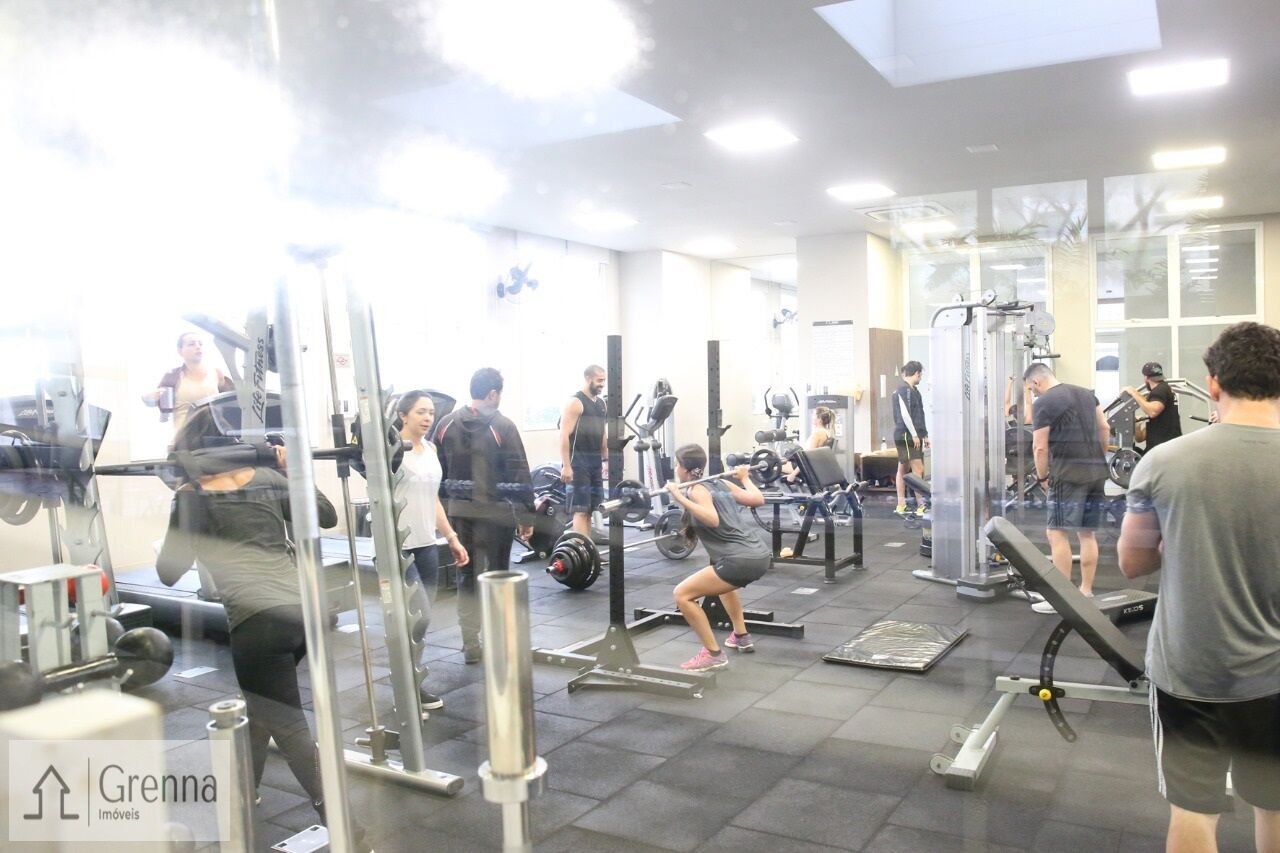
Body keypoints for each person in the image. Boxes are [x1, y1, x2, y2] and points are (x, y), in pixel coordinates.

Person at [156, 406, 370, 850]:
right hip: (304, 616)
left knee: (288, 728)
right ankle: (244, 789)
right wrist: (293, 472)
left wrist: (184, 513)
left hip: (258, 625)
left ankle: (347, 826)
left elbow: (168, 572)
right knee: (265, 706)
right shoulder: (269, 478)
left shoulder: (192, 496)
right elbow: (326, 515)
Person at [1117, 322, 1280, 853]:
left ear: (1213, 384)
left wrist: (1185, 538)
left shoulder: (1164, 462)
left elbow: (1133, 563)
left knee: (1193, 811)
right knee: (1275, 803)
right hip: (1274, 674)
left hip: (1190, 671)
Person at [434, 368, 534, 664]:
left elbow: (437, 472)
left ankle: (471, 644)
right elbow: (519, 472)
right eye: (499, 394)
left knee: (467, 576)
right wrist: (527, 515)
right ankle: (499, 641)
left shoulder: (444, 424)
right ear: (492, 394)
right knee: (499, 575)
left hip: (460, 513)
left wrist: (443, 511)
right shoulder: (503, 425)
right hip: (496, 514)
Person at [665, 444, 772, 672]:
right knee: (722, 582)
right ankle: (741, 635)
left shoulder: (696, 490)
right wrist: (745, 478)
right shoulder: (721, 483)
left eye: (676, 464)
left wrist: (678, 496)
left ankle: (713, 654)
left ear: (685, 468)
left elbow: (712, 519)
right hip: (759, 555)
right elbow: (757, 498)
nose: (675, 468)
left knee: (682, 595)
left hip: (739, 560)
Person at [394, 390, 470, 710]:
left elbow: (433, 498)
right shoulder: (391, 452)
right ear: (403, 415)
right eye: (420, 412)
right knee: (418, 616)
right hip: (397, 547)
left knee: (420, 623)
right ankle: (405, 687)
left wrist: (451, 537)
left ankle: (412, 684)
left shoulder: (430, 449)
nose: (427, 418)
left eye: (430, 413)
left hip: (426, 544)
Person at [1023, 362, 1110, 613]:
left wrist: (1042, 477)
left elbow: (1039, 447)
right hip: (1096, 472)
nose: (1033, 394)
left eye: (1031, 389)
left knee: (1056, 533)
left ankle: (1062, 599)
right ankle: (1086, 591)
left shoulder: (1044, 402)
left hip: (1067, 474)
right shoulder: (1087, 394)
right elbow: (1104, 427)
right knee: (1087, 533)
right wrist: (1097, 457)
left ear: (1036, 382)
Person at [142, 332, 234, 434]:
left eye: (200, 344)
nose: (198, 347)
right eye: (191, 344)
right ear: (180, 351)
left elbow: (232, 402)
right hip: (186, 437)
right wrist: (148, 398)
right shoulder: (172, 377)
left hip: (213, 436)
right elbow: (157, 402)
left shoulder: (217, 374)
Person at [558, 365, 607, 537]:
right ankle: (580, 548)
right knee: (580, 510)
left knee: (591, 509)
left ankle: (588, 548)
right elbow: (563, 435)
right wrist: (566, 466)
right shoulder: (575, 403)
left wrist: (606, 460)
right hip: (578, 464)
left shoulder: (601, 404)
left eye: (604, 380)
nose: (602, 384)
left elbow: (602, 434)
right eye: (599, 380)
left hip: (595, 464)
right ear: (588, 378)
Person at [892, 361, 929, 516]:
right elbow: (905, 415)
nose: (921, 377)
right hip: (906, 435)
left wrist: (924, 434)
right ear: (917, 373)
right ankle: (921, 505)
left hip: (913, 435)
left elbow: (919, 414)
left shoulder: (915, 391)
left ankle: (901, 505)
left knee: (903, 469)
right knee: (918, 470)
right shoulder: (903, 390)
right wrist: (914, 434)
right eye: (920, 374)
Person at [1124, 361, 1182, 451]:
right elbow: (1140, 438)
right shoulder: (1161, 392)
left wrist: (1133, 392)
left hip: (1164, 450)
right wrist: (1137, 426)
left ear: (1146, 378)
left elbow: (1153, 412)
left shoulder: (1160, 389)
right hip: (1161, 448)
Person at [784, 406, 835, 484]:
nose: (812, 417)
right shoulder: (826, 432)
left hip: (804, 467)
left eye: (814, 415)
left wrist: (793, 474)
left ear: (819, 419)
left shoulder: (818, 434)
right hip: (809, 466)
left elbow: (807, 458)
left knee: (772, 467)